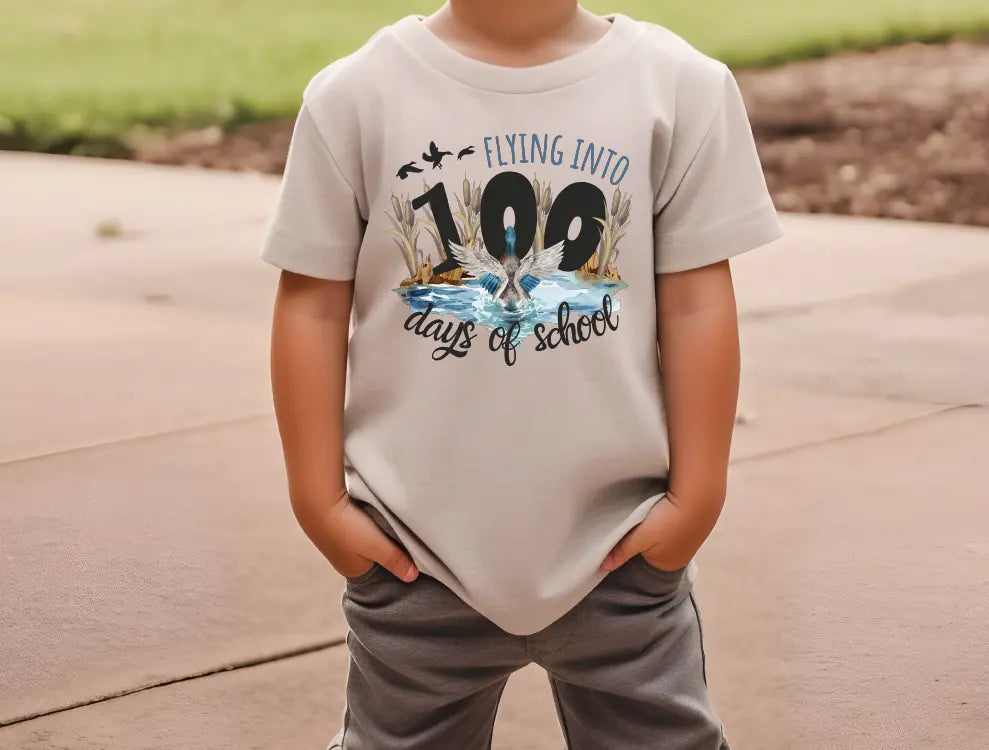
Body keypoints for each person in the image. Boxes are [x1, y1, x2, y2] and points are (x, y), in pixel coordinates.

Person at [261, 1, 782, 747]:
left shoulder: (677, 89)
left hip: (622, 548)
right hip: (413, 555)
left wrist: (697, 497)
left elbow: (698, 303)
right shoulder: (355, 97)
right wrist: (319, 502)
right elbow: (310, 307)